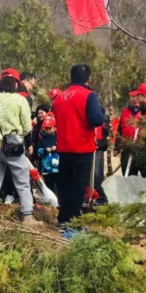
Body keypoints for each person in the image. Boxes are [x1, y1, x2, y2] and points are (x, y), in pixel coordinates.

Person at [52, 64, 106, 227]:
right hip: (82, 147)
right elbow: (97, 119)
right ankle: (74, 221)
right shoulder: (89, 95)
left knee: (65, 184)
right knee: (78, 185)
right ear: (88, 79)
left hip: (63, 147)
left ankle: (63, 218)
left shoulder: (60, 98)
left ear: (71, 78)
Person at [0, 71, 38, 225]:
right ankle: (27, 215)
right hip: (14, 147)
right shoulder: (20, 100)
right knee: (22, 181)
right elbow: (27, 128)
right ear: (15, 83)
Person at [116, 87, 143, 176]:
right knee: (127, 176)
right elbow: (120, 130)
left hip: (142, 149)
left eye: (137, 96)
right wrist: (117, 147)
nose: (135, 99)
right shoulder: (125, 111)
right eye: (132, 96)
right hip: (127, 148)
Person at [37, 115, 60, 195]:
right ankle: (50, 200)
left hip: (57, 167)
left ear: (54, 128)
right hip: (46, 168)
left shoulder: (58, 138)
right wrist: (45, 150)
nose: (48, 130)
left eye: (50, 128)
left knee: (58, 185)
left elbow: (64, 149)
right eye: (46, 128)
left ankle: (58, 200)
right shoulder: (42, 138)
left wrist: (56, 147)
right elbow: (38, 151)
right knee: (48, 185)